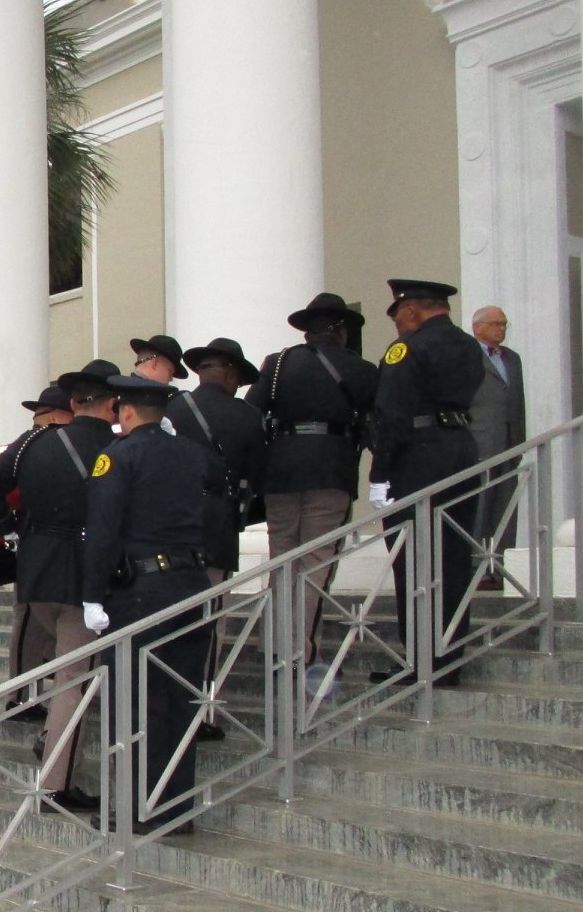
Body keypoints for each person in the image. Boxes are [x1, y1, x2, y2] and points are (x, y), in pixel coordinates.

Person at [0, 362, 121, 809]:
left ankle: (51, 735)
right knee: (75, 677)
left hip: (36, 572)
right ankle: (57, 783)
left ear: (73, 403)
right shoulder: (118, 446)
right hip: (84, 577)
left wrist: (9, 529)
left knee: (64, 667)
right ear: (114, 404)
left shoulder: (32, 443)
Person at [82, 375, 223, 834]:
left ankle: (134, 807)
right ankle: (173, 806)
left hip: (140, 590)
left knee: (134, 701)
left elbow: (103, 529)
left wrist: (92, 594)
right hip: (191, 583)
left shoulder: (118, 456)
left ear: (125, 412)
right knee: (180, 698)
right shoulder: (192, 454)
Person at [247, 292, 378, 665]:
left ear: (307, 331)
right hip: (331, 469)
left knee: (282, 558)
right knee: (316, 562)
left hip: (281, 471)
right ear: (341, 330)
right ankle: (300, 653)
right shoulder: (361, 369)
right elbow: (375, 423)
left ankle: (275, 647)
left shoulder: (277, 364)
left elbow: (252, 412)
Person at [368, 279, 485, 686]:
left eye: (398, 317)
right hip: (461, 449)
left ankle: (421, 660)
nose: (398, 325)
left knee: (413, 556)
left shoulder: (407, 348)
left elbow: (391, 415)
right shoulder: (469, 346)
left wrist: (380, 473)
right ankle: (449, 656)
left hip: (418, 456)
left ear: (411, 310)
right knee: (453, 556)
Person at [171, 338, 268, 738]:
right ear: (230, 374)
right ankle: (202, 712)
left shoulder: (172, 409)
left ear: (200, 371)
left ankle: (165, 701)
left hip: (168, 525)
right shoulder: (247, 416)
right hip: (215, 526)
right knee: (210, 624)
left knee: (169, 619)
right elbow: (258, 474)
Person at [0, 383, 76, 722]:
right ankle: (21, 697)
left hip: (54, 547)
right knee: (28, 622)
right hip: (35, 546)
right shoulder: (30, 445)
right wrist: (8, 527)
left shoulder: (39, 445)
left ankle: (31, 693)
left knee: (40, 626)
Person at [468, 304, 527, 576]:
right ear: (477, 327)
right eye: (495, 324)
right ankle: (474, 566)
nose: (501, 329)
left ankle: (500, 565)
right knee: (480, 505)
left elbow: (517, 401)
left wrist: (519, 441)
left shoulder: (511, 358)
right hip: (479, 441)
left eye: (504, 324)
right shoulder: (468, 355)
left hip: (508, 443)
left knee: (505, 505)